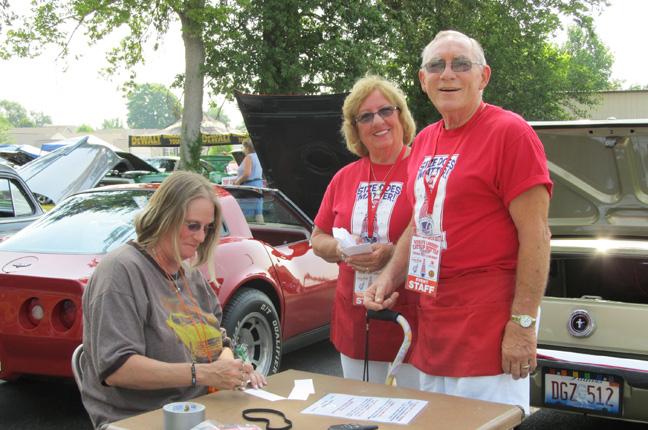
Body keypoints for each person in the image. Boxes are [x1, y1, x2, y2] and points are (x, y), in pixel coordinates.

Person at [364, 30, 553, 413]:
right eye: (436, 66)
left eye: (460, 64)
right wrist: (388, 276)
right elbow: (421, 222)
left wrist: (523, 324)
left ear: (483, 76)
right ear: (423, 79)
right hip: (433, 321)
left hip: (488, 325)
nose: (447, 74)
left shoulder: (510, 133)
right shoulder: (425, 141)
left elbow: (537, 236)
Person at [80, 171, 266, 429]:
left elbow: (218, 343)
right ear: (163, 217)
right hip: (139, 418)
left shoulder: (191, 277)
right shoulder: (121, 271)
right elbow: (116, 369)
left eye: (207, 228)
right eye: (192, 225)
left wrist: (231, 369)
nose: (201, 238)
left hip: (200, 411)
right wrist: (203, 374)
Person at [311, 75, 420, 388]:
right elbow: (317, 239)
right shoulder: (344, 177)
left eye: (386, 110)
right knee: (363, 411)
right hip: (358, 322)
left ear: (401, 115)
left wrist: (391, 253)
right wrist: (342, 250)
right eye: (366, 116)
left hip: (413, 320)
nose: (378, 121)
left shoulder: (422, 169)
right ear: (355, 128)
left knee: (417, 416)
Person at [234, 138, 264, 222]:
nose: (244, 150)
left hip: (248, 186)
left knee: (245, 212)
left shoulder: (249, 157)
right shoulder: (258, 157)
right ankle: (261, 228)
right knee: (258, 212)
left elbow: (247, 173)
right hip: (258, 185)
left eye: (244, 147)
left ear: (248, 147)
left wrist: (238, 181)